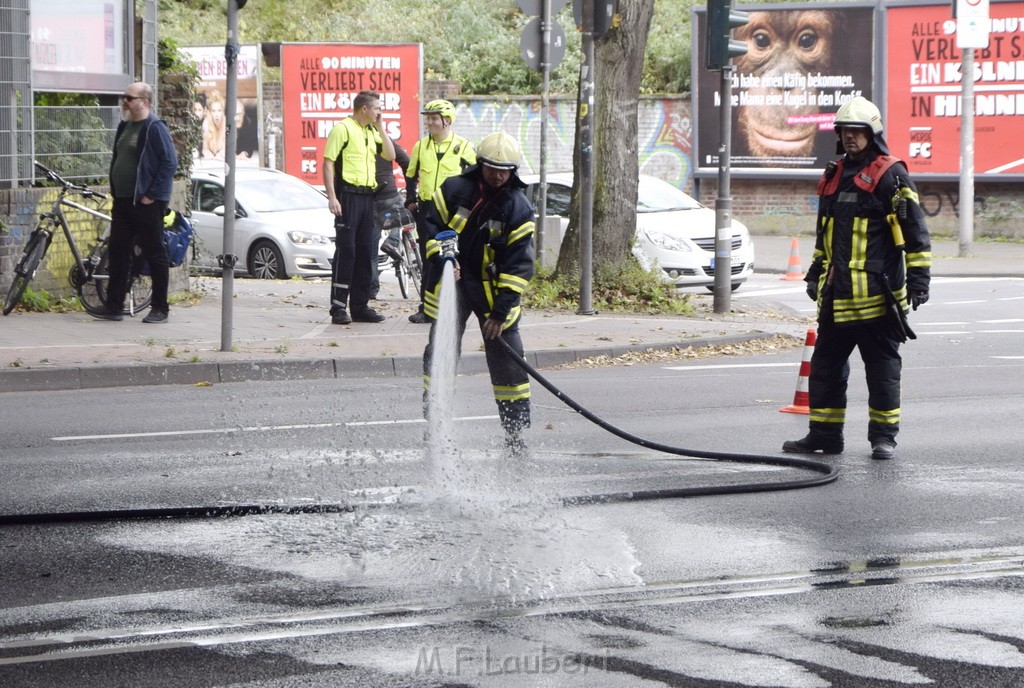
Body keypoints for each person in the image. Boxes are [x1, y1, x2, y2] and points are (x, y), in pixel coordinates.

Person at [783, 96, 931, 461]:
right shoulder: (834, 173)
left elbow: (915, 231)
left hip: (877, 297)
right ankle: (825, 435)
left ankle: (883, 439)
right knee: (824, 369)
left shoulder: (890, 174)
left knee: (882, 371)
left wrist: (919, 281)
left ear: (872, 133)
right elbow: (826, 235)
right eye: (845, 131)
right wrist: (816, 272)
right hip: (837, 296)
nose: (850, 137)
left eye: (857, 131)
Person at [420, 131, 535, 453]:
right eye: (492, 168)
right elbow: (431, 226)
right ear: (480, 164)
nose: (499, 176)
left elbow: (519, 265)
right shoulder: (454, 190)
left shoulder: (518, 208)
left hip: (493, 294)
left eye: (505, 170)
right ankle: (435, 424)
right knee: (440, 353)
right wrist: (444, 253)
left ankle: (514, 435)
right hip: (453, 286)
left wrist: (500, 313)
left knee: (508, 363)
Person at [92, 81, 178, 324]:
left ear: (145, 102)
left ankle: (160, 308)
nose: (125, 101)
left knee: (154, 253)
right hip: (123, 201)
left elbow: (169, 162)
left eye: (130, 97)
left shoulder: (154, 128)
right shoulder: (124, 126)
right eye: (124, 97)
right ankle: (114, 305)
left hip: (146, 203)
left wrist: (151, 195)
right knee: (118, 252)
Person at [322, 90, 396, 324]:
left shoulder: (371, 131)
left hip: (367, 198)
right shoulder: (342, 129)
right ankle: (338, 307)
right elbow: (328, 162)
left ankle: (360, 307)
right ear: (364, 109)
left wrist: (381, 127)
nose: (379, 112)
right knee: (347, 252)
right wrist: (332, 197)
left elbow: (390, 154)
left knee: (366, 252)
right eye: (376, 108)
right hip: (348, 197)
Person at [404, 99, 476, 323]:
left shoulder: (463, 146)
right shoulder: (421, 146)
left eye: (434, 119)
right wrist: (410, 197)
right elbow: (411, 174)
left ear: (447, 121)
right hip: (428, 209)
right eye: (428, 119)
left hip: (454, 210)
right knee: (430, 258)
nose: (429, 123)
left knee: (456, 256)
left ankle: (457, 306)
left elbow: (474, 176)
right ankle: (427, 309)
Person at [370, 137, 410, 299]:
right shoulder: (384, 140)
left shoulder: (358, 139)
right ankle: (393, 241)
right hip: (389, 194)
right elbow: (405, 161)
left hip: (371, 197)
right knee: (403, 215)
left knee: (371, 249)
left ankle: (372, 289)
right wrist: (411, 186)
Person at [201, 90, 226, 161]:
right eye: (214, 111)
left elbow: (228, 146)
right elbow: (204, 149)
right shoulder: (206, 123)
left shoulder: (228, 125)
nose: (216, 115)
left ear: (223, 111)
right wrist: (208, 154)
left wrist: (221, 154)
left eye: (219, 110)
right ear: (210, 112)